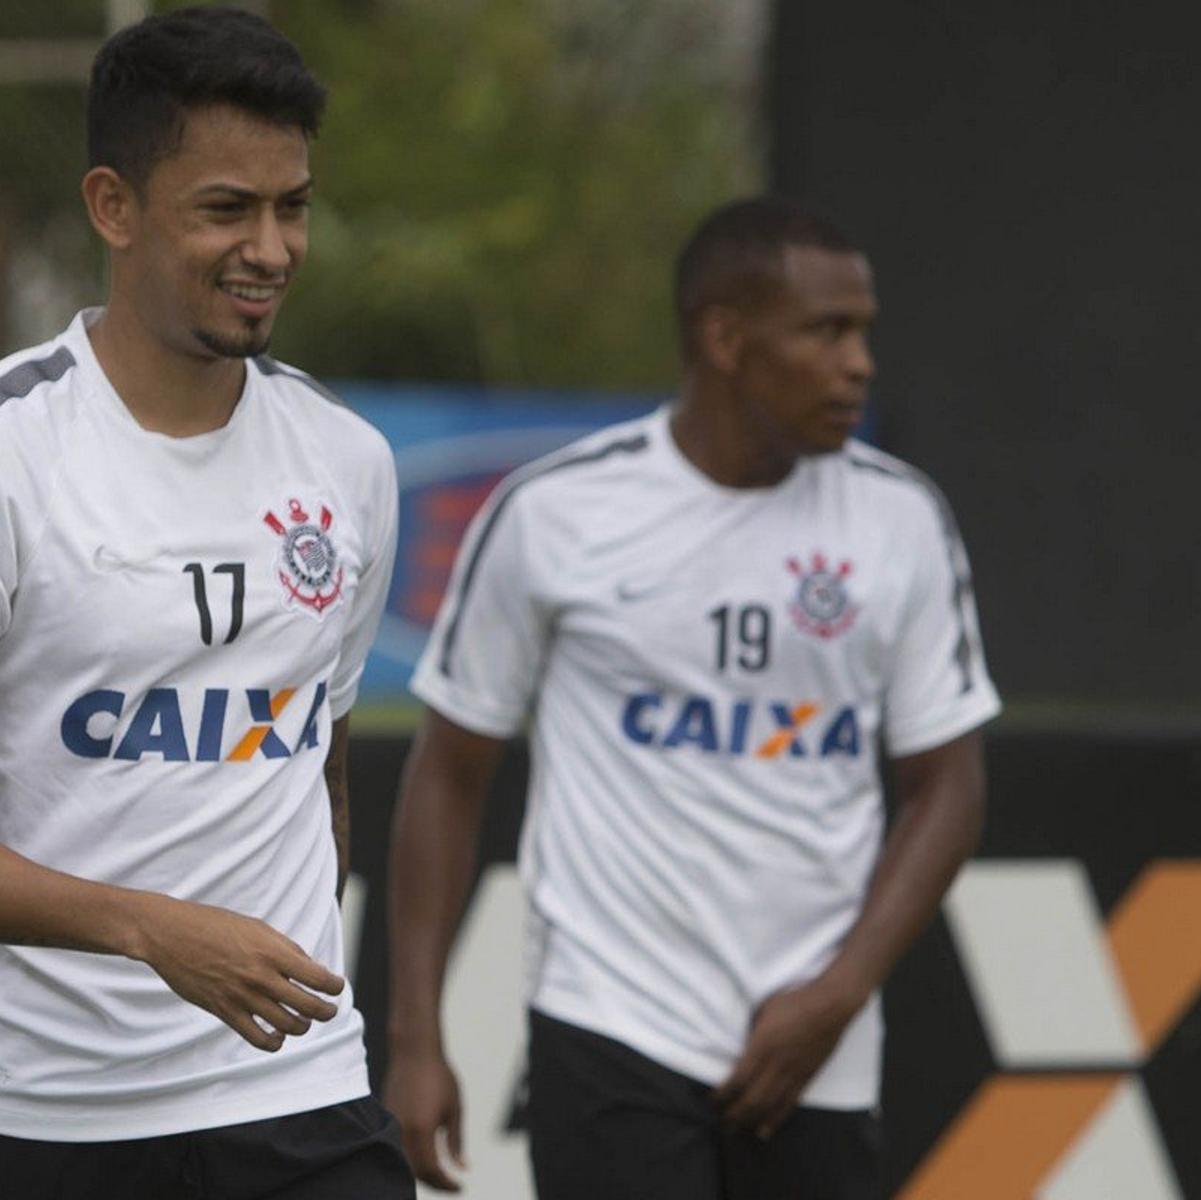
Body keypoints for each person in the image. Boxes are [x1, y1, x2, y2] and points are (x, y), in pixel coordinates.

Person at [0, 8, 412, 1198]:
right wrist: (153, 928)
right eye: (225, 209)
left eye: (291, 205)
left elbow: (321, 765)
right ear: (114, 207)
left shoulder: (347, 462)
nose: (271, 247)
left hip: (301, 1104)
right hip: (39, 1116)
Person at [382, 196, 999, 1200]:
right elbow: (448, 776)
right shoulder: (557, 514)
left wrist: (838, 995)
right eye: (827, 331)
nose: (860, 364)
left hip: (817, 1046)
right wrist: (417, 1038)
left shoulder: (901, 520)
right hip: (613, 1024)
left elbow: (950, 789)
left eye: (865, 332)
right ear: (725, 337)